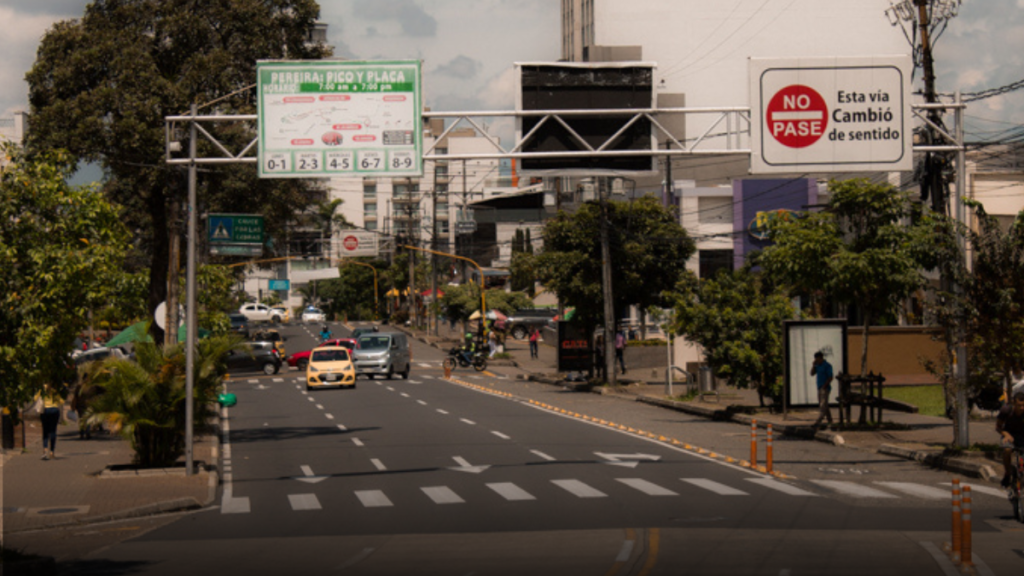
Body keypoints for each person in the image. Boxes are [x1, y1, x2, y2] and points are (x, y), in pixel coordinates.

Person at [996, 391, 1024, 488]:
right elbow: (998, 427)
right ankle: (1007, 473)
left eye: (1023, 405)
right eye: (1019, 405)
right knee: (1007, 450)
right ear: (1013, 403)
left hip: (1022, 436)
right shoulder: (1006, 410)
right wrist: (1006, 434)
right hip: (1009, 434)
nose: (1021, 408)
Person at [36, 384, 64, 460]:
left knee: (45, 430)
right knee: (53, 431)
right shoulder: (55, 390)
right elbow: (61, 401)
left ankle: (45, 449)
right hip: (54, 410)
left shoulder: (42, 389)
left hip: (45, 411)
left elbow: (35, 398)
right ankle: (52, 451)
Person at [810, 351, 834, 429]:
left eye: (818, 359)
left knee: (822, 405)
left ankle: (818, 421)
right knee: (824, 405)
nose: (817, 361)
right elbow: (812, 373)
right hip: (819, 387)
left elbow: (830, 377)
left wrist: (825, 386)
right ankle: (830, 420)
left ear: (821, 358)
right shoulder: (817, 365)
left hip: (825, 388)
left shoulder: (827, 366)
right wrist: (813, 365)